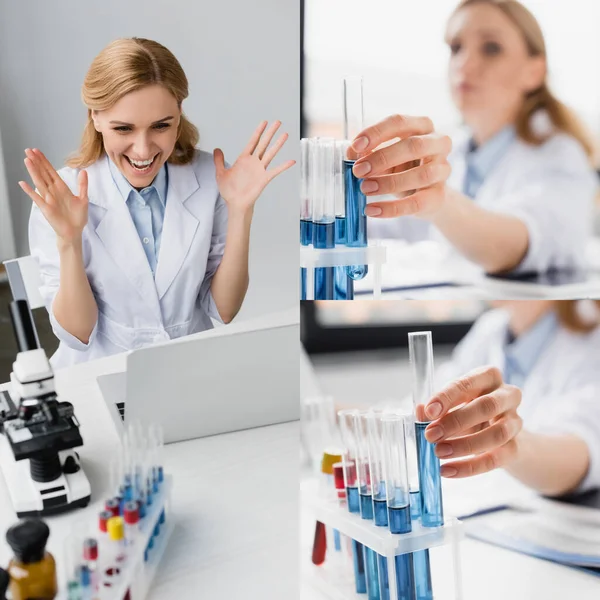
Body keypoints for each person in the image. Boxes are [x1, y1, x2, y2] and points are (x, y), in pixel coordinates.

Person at [21, 38, 294, 368]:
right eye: (123, 128)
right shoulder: (60, 195)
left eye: (161, 126)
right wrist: (69, 241)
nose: (142, 149)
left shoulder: (213, 178)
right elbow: (78, 336)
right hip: (101, 373)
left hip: (190, 370)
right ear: (95, 117)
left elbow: (224, 310)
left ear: (179, 113)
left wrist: (241, 211)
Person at [351, 0, 598, 274]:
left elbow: (512, 246)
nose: (464, 64)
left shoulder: (560, 156)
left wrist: (439, 201)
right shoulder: (458, 153)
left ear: (534, 72)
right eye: (456, 48)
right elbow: (392, 224)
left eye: (491, 48)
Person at [417, 300, 600, 496]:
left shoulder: (591, 338)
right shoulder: (492, 327)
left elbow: (583, 452)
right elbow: (427, 405)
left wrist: (513, 445)